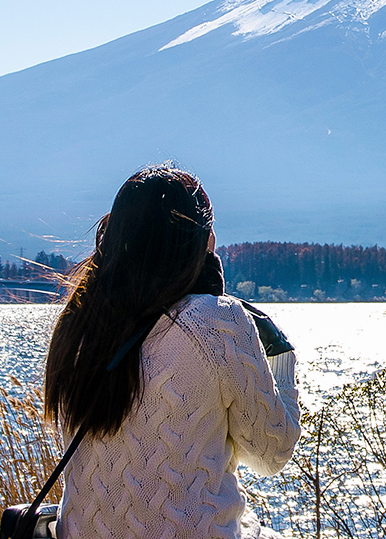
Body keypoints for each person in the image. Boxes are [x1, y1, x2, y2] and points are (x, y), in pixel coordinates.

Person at [44, 166, 299, 538]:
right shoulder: (214, 321)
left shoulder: (79, 324)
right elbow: (271, 452)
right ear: (204, 240)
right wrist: (281, 356)